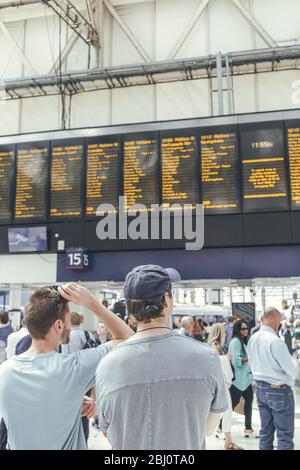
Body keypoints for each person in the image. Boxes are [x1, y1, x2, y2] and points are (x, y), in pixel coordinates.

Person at [96, 264, 227, 450]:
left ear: (129, 308)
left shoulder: (107, 364)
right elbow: (208, 428)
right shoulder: (207, 358)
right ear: (166, 299)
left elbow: (109, 431)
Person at [0, 284, 133, 450]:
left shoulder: (4, 372)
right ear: (59, 325)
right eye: (68, 319)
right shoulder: (73, 369)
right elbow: (129, 339)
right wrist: (91, 302)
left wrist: (67, 401)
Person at [247, 307, 297, 450]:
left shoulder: (253, 338)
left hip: (260, 389)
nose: (279, 323)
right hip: (278, 390)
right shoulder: (275, 341)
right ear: (274, 317)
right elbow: (291, 369)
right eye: (279, 320)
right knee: (284, 436)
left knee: (266, 433)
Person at [207, 323, 243, 450]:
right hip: (221, 383)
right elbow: (216, 361)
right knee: (226, 411)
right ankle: (228, 441)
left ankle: (227, 439)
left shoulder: (215, 345)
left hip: (220, 383)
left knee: (225, 411)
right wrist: (226, 358)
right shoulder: (215, 345)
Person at [228, 319, 256, 438]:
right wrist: (251, 357)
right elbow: (237, 361)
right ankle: (220, 426)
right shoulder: (235, 342)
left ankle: (248, 427)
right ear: (237, 330)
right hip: (237, 380)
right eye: (243, 329)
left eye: (247, 328)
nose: (246, 330)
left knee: (249, 401)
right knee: (232, 404)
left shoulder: (243, 341)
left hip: (246, 379)